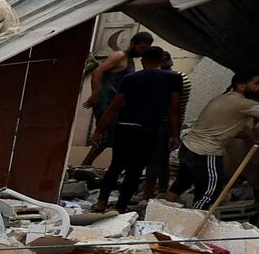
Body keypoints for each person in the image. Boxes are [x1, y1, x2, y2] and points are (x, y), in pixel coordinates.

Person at [93, 46, 183, 213]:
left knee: (116, 166)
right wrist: (175, 134)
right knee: (135, 169)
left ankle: (102, 201)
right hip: (148, 130)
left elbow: (114, 107)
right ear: (162, 60)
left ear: (142, 61)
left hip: (125, 127)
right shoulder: (173, 78)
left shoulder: (130, 78)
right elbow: (174, 109)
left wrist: (98, 130)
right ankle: (121, 206)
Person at [166, 72, 259, 210]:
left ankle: (162, 211)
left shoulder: (222, 99)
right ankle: (194, 223)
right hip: (205, 153)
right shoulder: (243, 104)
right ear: (242, 86)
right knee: (210, 192)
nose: (258, 87)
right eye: (256, 84)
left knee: (181, 183)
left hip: (188, 147)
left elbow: (233, 129)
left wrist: (253, 138)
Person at [80, 32, 153, 169]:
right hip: (105, 100)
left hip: (115, 103)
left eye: (146, 49)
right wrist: (94, 94)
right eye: (141, 48)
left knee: (112, 135)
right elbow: (97, 72)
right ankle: (84, 165)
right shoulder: (119, 56)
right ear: (133, 44)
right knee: (106, 133)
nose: (143, 52)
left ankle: (87, 165)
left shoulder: (130, 60)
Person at [143, 53, 195, 199]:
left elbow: (173, 107)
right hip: (172, 124)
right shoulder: (181, 78)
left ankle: (149, 192)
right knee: (162, 158)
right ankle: (162, 189)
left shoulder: (170, 79)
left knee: (153, 160)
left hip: (161, 124)